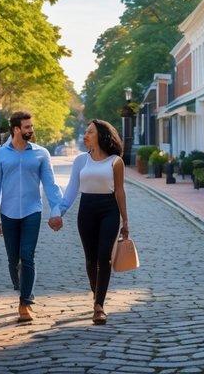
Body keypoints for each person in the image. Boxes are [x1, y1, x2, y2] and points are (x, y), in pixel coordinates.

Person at [0, 111, 64, 323]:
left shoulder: (41, 154)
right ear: (16, 129)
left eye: (31, 126)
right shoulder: (0, 154)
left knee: (27, 255)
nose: (31, 130)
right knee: (14, 259)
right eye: (27, 127)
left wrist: (56, 211)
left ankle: (25, 303)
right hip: (8, 212)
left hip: (32, 211)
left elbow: (50, 185)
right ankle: (21, 285)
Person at [59, 119, 129, 325]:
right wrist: (59, 212)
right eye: (85, 132)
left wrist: (125, 220)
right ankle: (96, 295)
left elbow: (120, 191)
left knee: (103, 257)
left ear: (101, 135)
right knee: (90, 259)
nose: (85, 135)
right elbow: (72, 189)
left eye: (90, 132)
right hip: (86, 209)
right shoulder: (81, 160)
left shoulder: (116, 161)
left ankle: (99, 306)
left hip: (109, 210)